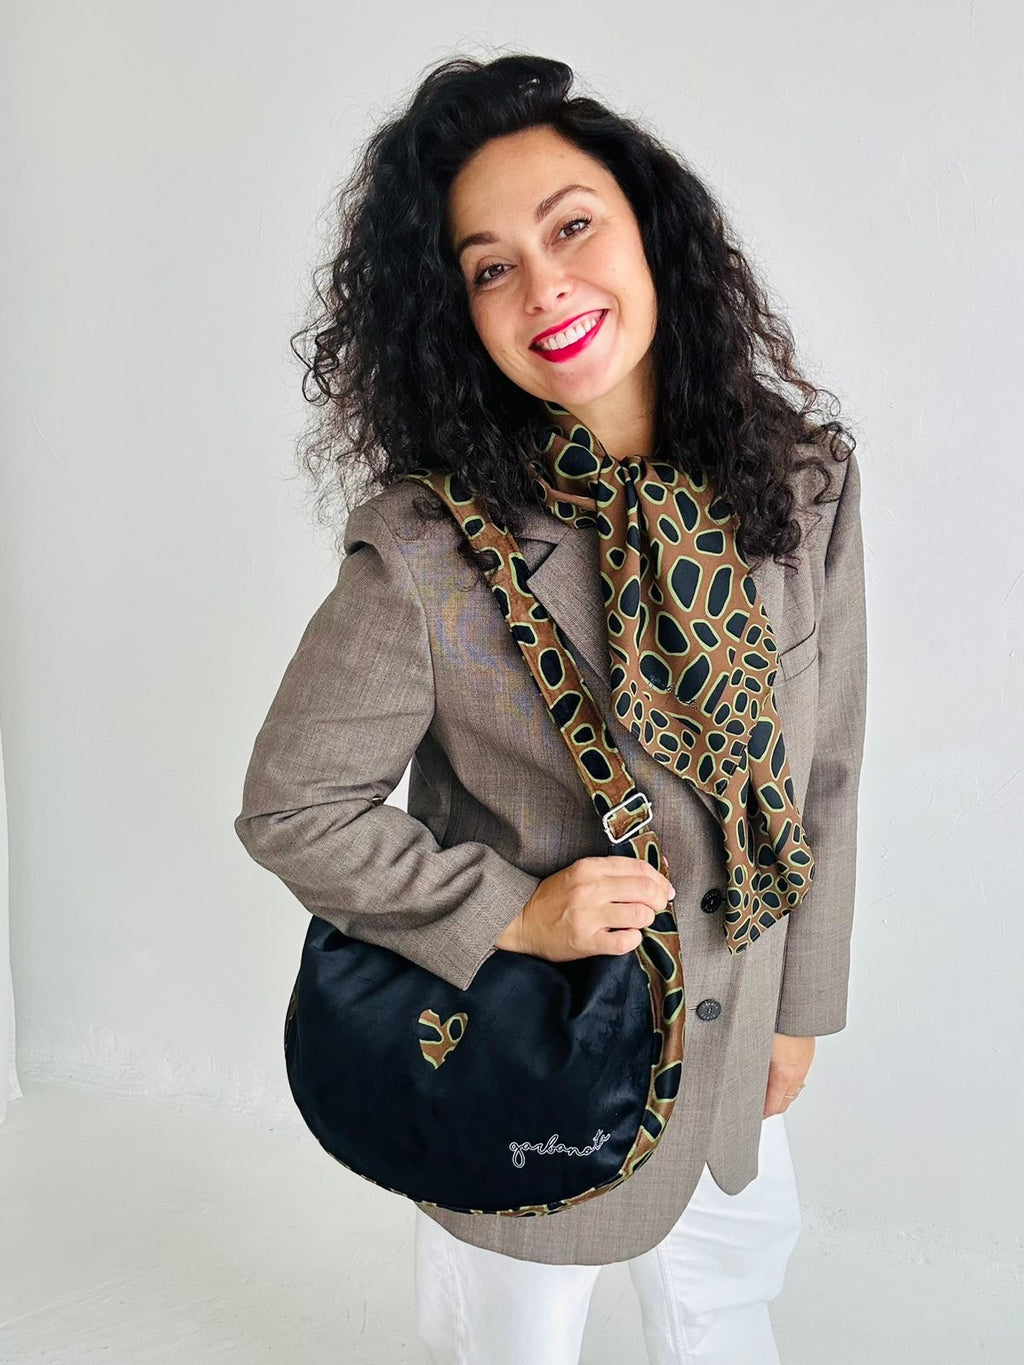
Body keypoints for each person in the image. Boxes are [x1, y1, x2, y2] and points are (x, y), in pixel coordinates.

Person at [234, 52, 867, 1365]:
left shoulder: (801, 484)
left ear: (651, 227)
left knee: (727, 1320)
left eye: (571, 226)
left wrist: (800, 1006)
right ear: (454, 314)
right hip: (522, 1064)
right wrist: (514, 912)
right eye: (489, 268)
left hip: (734, 1058)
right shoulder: (426, 553)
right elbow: (295, 807)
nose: (544, 287)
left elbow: (828, 768)